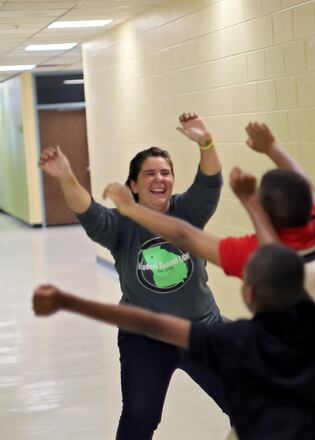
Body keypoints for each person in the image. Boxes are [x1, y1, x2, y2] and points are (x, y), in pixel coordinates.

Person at [102, 121, 315, 439]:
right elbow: (305, 184)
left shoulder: (259, 255)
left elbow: (184, 234)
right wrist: (271, 148)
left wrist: (130, 208)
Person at [38, 112, 228, 439]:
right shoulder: (122, 225)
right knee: (139, 418)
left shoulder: (188, 211)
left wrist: (205, 142)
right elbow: (88, 211)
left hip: (202, 329)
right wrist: (66, 175)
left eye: (166, 173)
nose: (160, 179)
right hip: (145, 339)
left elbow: (210, 180)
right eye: (150, 173)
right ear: (133, 185)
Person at [33, 244, 315, 440]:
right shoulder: (311, 324)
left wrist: (67, 301)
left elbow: (149, 322)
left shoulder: (234, 339)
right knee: (140, 416)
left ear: (247, 294)